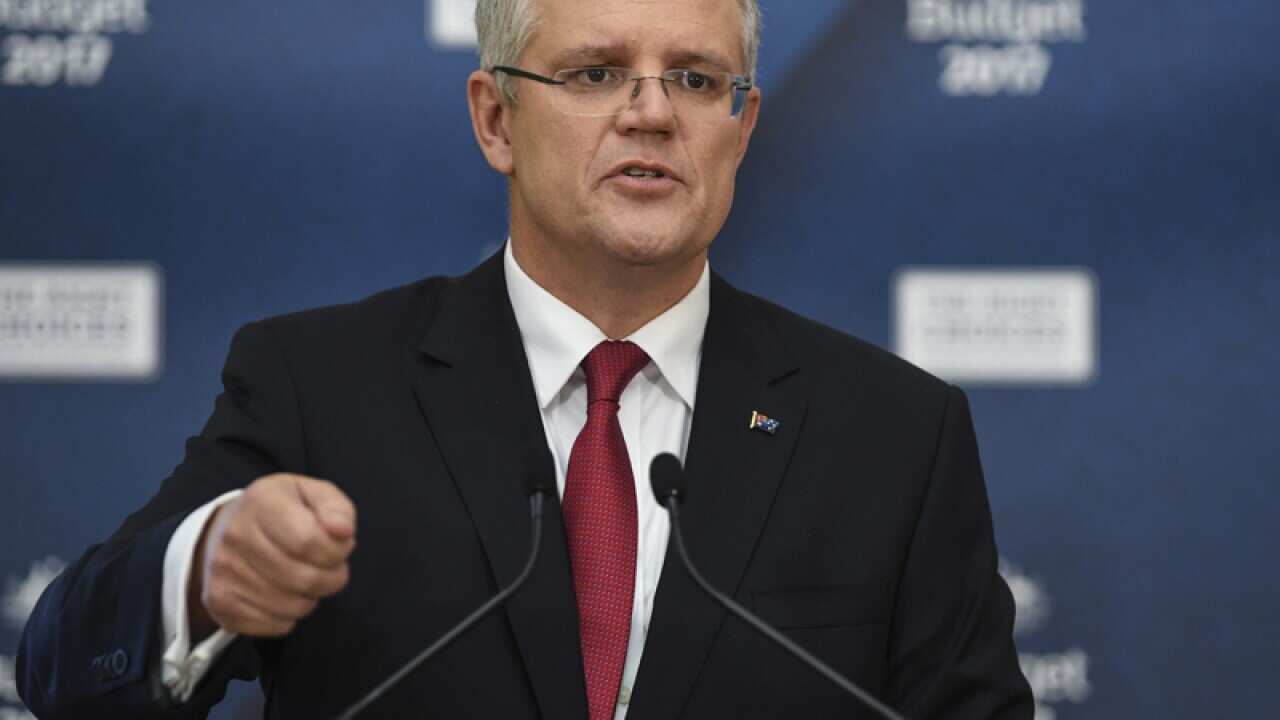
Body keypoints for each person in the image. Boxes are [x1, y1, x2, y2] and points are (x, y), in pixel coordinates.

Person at [17, 0, 1034, 718]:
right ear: (496, 119)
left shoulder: (893, 434)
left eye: (695, 78)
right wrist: (203, 572)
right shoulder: (319, 389)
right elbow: (61, 671)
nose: (650, 112)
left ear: (741, 126)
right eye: (595, 73)